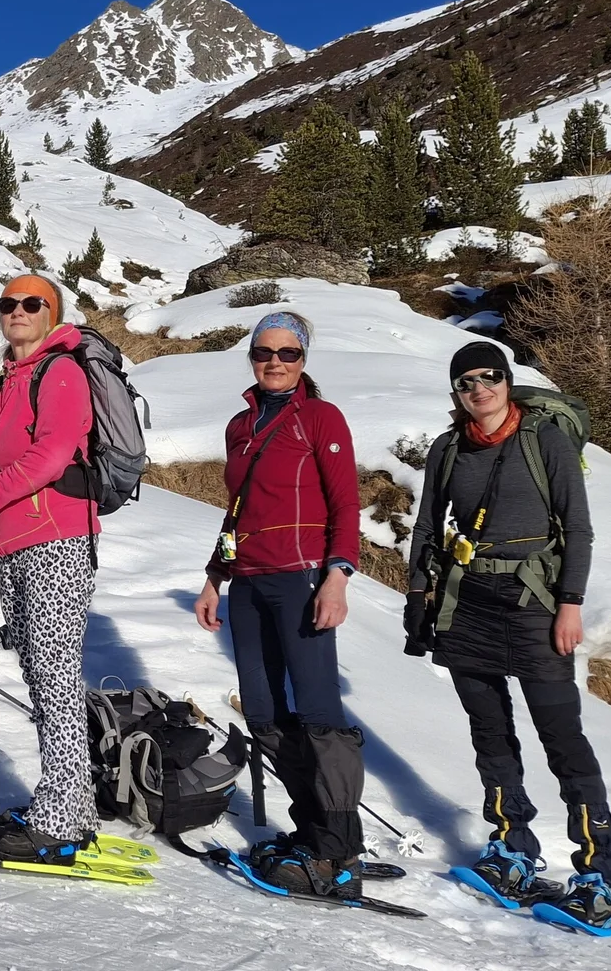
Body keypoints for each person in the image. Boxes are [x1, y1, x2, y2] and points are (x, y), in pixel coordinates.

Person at [405, 341, 611, 927]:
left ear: (507, 381)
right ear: (455, 394)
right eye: (467, 382)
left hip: (535, 605)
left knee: (562, 737)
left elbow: (578, 529)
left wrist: (570, 605)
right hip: (466, 604)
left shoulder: (544, 440)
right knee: (490, 732)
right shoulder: (448, 450)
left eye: (490, 377)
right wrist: (417, 598)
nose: (480, 389)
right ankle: (512, 848)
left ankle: (600, 873)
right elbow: (427, 527)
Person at [192, 311, 367, 897]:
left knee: (320, 715)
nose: (275, 361)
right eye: (263, 352)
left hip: (302, 579)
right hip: (248, 583)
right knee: (264, 714)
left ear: (304, 358)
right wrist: (216, 577)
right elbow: (236, 511)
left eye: (287, 352)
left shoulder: (321, 417)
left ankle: (340, 850)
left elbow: (346, 505)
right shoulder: (240, 426)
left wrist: (337, 576)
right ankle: (313, 828)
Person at [0, 275, 97, 863]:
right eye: (8, 304)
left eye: (32, 304)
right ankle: (69, 806)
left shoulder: (62, 372)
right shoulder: (10, 380)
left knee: (54, 677)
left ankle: (58, 820)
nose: (17, 312)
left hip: (55, 539)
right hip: (14, 543)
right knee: (40, 674)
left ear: (52, 314)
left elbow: (50, 457)